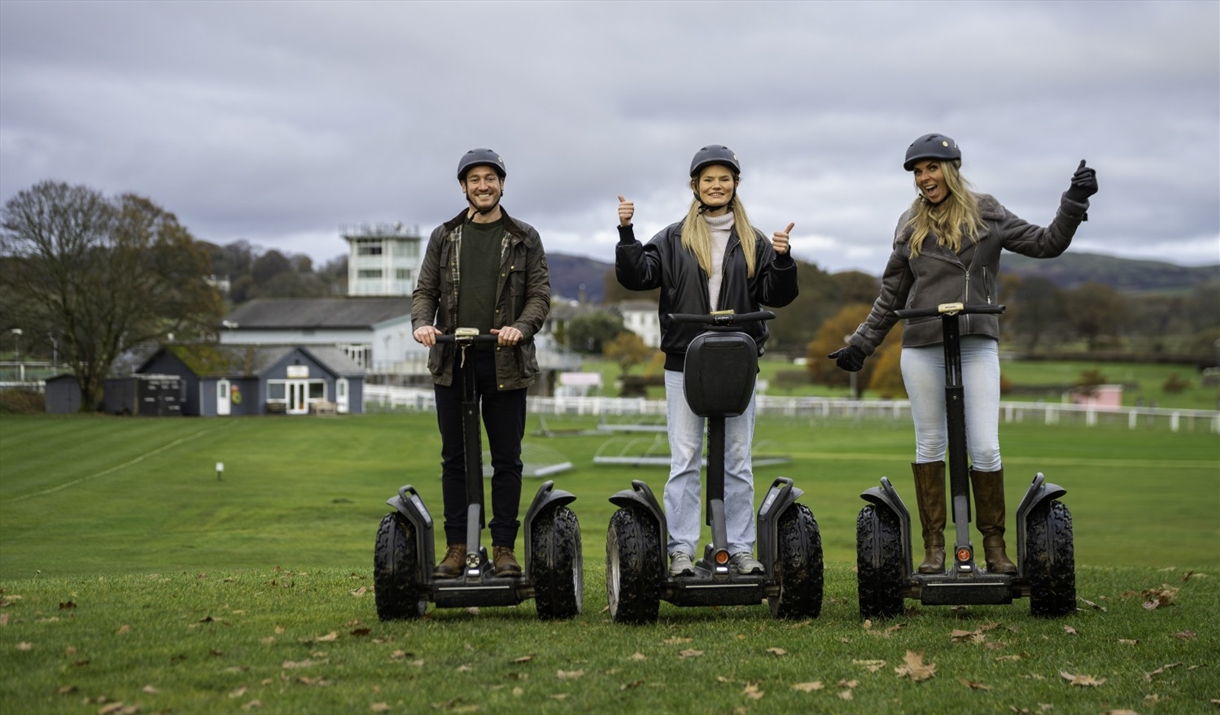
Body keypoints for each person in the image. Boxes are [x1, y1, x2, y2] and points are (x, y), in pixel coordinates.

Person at [829, 133, 1097, 574]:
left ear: (951, 168)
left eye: (931, 168)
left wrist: (1073, 202)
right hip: (923, 345)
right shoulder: (908, 225)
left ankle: (993, 546)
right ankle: (934, 548)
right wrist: (862, 343)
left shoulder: (988, 213)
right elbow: (891, 294)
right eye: (917, 172)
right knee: (930, 444)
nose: (923, 179)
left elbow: (1046, 243)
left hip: (975, 342)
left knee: (985, 448)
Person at [615, 145, 799, 577]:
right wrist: (627, 233)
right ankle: (680, 549)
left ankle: (739, 548)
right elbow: (638, 275)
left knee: (737, 458)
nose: (717, 186)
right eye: (708, 179)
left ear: (735, 184)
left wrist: (785, 258)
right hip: (685, 359)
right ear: (695, 186)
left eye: (724, 179)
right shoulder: (673, 237)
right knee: (685, 457)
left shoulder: (752, 240)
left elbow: (777, 294)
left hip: (737, 360)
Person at [411, 148, 551, 578]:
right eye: (475, 179)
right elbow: (425, 292)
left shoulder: (524, 236)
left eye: (491, 178)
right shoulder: (445, 236)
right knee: (455, 457)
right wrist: (422, 324)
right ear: (463, 187)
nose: (483, 186)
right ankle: (457, 548)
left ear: (502, 184)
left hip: (506, 364)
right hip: (454, 361)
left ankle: (504, 548)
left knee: (506, 458)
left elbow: (540, 296)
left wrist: (520, 329)